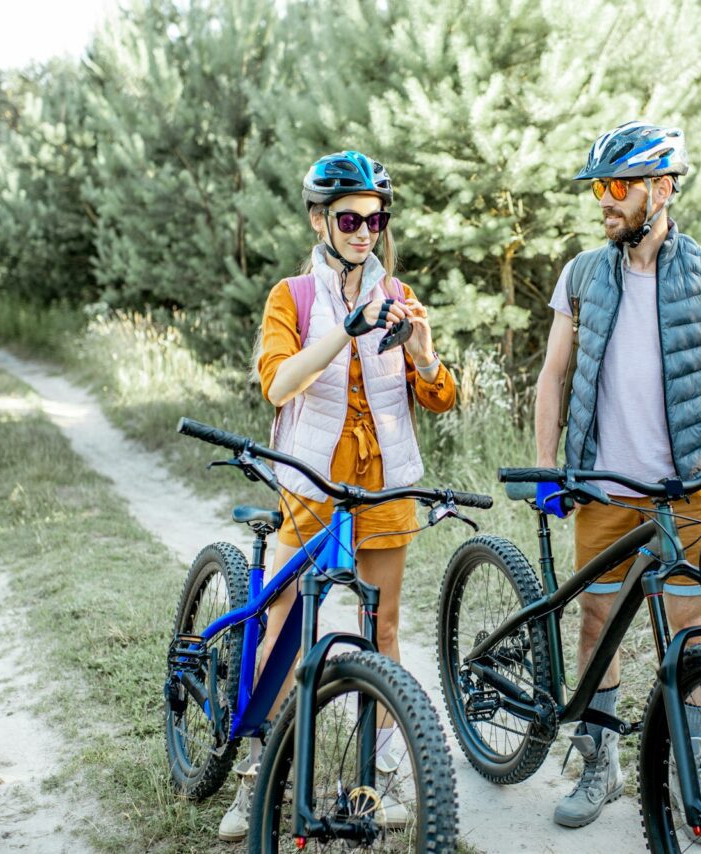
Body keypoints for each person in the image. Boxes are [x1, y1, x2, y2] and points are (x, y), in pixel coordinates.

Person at [532, 122, 701, 836]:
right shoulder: (583, 274)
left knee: (695, 636)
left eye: (617, 187)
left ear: (663, 188)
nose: (604, 202)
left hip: (687, 488)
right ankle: (600, 762)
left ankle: (693, 769)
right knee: (596, 624)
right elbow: (553, 377)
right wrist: (547, 468)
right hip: (604, 487)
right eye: (599, 188)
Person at [218, 150, 457, 842]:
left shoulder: (399, 293)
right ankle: (255, 775)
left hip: (383, 485)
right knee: (283, 628)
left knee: (382, 631)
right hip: (311, 485)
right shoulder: (290, 297)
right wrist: (340, 334)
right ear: (320, 219)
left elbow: (439, 397)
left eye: (375, 219)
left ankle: (382, 770)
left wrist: (421, 351)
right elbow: (278, 383)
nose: (364, 231)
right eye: (350, 218)